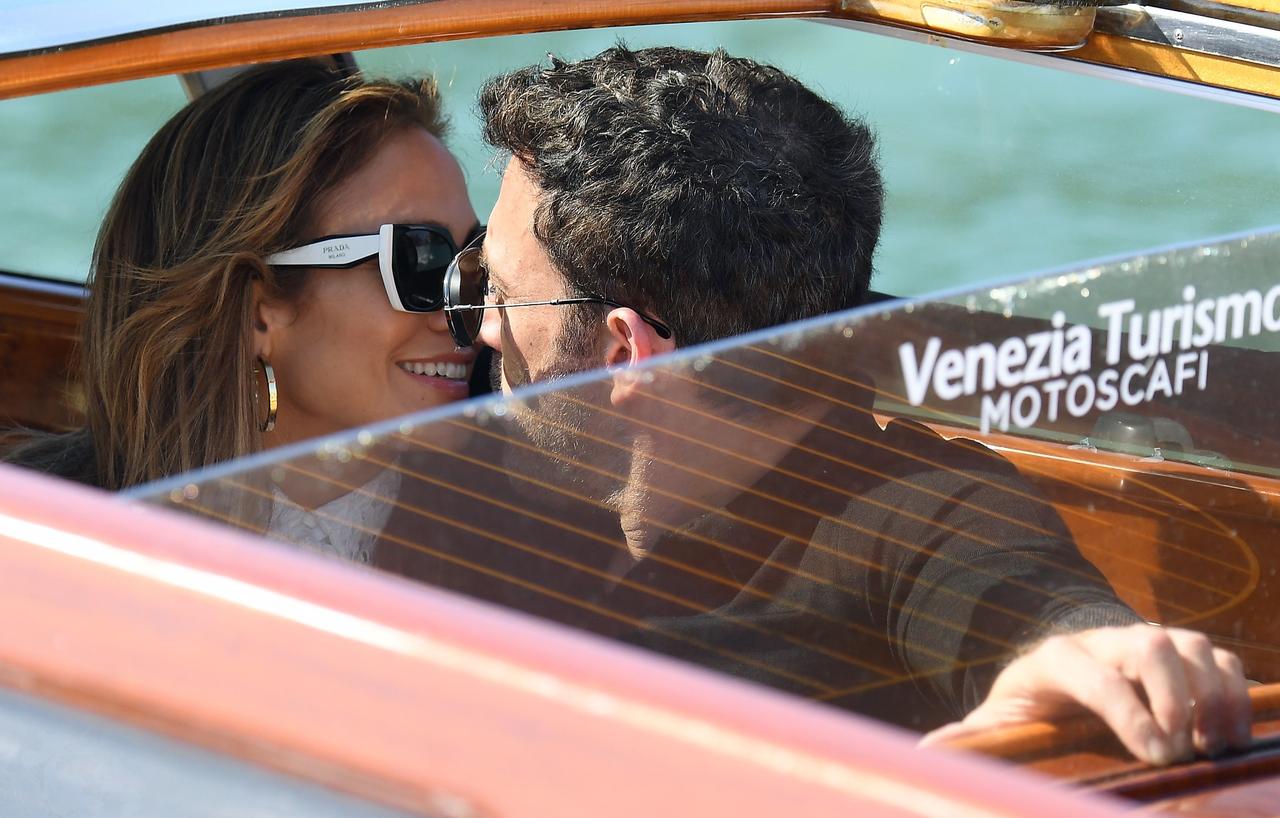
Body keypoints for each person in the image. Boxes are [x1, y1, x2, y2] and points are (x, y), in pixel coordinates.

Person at [422, 46, 1249, 764]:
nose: (480, 328)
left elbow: (1017, 597)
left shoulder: (917, 515)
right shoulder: (508, 459)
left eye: (500, 292)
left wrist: (1086, 654)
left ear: (624, 353)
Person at [3, 59, 481, 560]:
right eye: (421, 261)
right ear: (257, 311)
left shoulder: (512, 539)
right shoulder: (36, 543)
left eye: (478, 261)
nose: (468, 305)